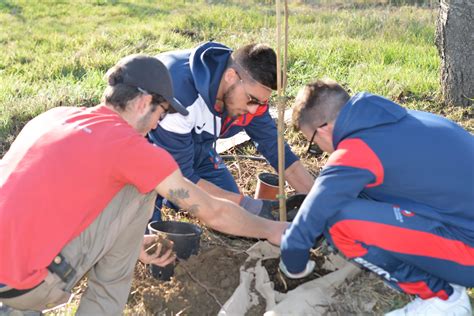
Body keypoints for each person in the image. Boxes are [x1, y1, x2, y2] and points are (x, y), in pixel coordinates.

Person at [0, 54, 287, 315]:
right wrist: (271, 228)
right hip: (26, 286)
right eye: (160, 115)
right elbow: (211, 211)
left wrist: (130, 241)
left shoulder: (56, 117)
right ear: (142, 103)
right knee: (143, 187)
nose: (155, 126)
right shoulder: (130, 149)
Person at [279, 79, 474, 315]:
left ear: (323, 129)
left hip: (468, 251)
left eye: (314, 144)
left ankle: (444, 299)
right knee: (361, 195)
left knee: (340, 221)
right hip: (460, 226)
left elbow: (311, 219)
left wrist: (293, 263)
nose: (320, 151)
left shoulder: (358, 150)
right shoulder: (404, 121)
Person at [148, 41, 314, 221]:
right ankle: (161, 200)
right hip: (149, 152)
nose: (253, 110)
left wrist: (318, 204)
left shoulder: (251, 96)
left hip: (199, 148)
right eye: (251, 100)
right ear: (231, 76)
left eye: (260, 103)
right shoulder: (180, 97)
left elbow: (279, 153)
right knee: (150, 228)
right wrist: (247, 205)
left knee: (231, 211)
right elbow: (181, 179)